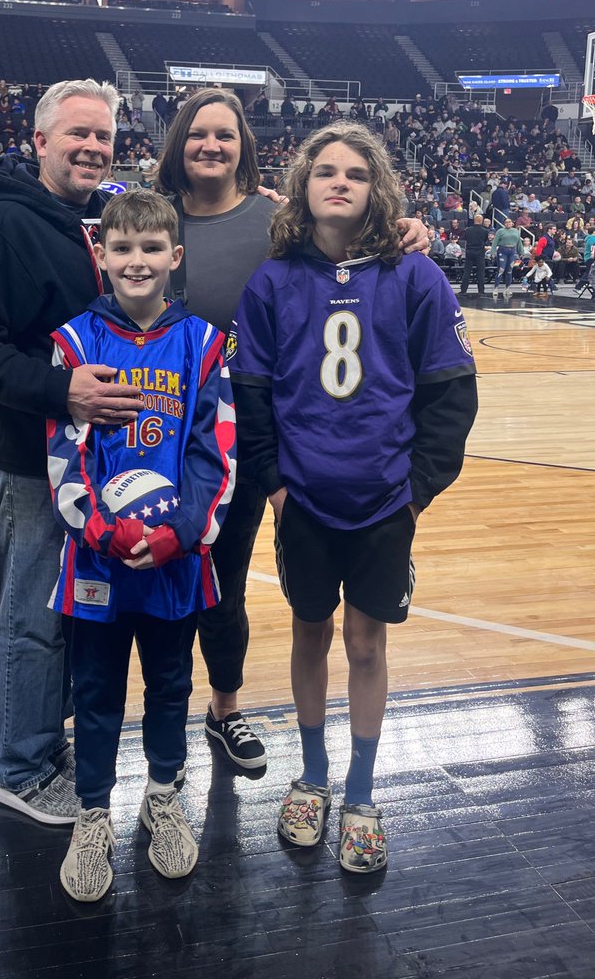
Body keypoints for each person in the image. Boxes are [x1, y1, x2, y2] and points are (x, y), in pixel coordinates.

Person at [227, 121, 478, 873]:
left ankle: (362, 791)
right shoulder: (272, 280)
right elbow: (251, 392)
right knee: (310, 633)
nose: (340, 181)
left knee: (367, 644)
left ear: (379, 191)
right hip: (302, 502)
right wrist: (272, 485)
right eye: (325, 170)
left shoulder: (416, 276)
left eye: (357, 174)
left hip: (382, 506)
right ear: (302, 184)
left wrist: (415, 494)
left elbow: (450, 396)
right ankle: (311, 777)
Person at [153, 89, 430, 769]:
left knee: (225, 583)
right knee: (153, 582)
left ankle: (225, 710)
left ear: (245, 147)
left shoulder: (275, 219)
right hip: (157, 430)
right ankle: (159, 729)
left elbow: (354, 237)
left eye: (225, 133)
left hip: (243, 434)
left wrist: (408, 229)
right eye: (198, 133)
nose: (211, 145)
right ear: (177, 143)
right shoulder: (155, 218)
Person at [0, 79, 144, 824]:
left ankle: (37, 743)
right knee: (31, 617)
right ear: (40, 143)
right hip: (29, 462)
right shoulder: (4, 225)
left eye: (104, 139)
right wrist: (63, 392)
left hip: (72, 461)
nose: (92, 148)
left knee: (56, 615)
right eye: (78, 135)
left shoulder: (69, 220)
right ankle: (17, 768)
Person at [50, 190, 235, 901]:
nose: (137, 261)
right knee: (94, 693)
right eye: (122, 248)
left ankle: (163, 794)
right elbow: (64, 452)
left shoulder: (203, 343)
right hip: (97, 558)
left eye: (151, 248)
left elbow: (215, 452)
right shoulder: (73, 340)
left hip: (174, 560)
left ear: (174, 258)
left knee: (170, 685)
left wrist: (178, 531)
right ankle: (92, 813)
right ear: (101, 256)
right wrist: (101, 527)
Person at [490, 218, 522, 297]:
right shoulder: (500, 231)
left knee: (509, 270)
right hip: (502, 250)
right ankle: (496, 288)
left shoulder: (516, 231)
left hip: (512, 251)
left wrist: (521, 252)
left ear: (512, 223)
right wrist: (493, 252)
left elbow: (519, 242)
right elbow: (495, 242)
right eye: (506, 222)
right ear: (504, 224)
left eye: (509, 222)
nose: (508, 223)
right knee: (501, 269)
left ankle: (508, 287)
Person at [459, 213, 489, 297]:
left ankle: (463, 290)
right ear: (481, 221)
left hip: (469, 252)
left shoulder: (468, 230)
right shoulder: (485, 231)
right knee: (480, 272)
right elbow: (485, 240)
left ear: (474, 220)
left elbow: (465, 238)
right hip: (480, 252)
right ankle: (481, 291)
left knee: (467, 272)